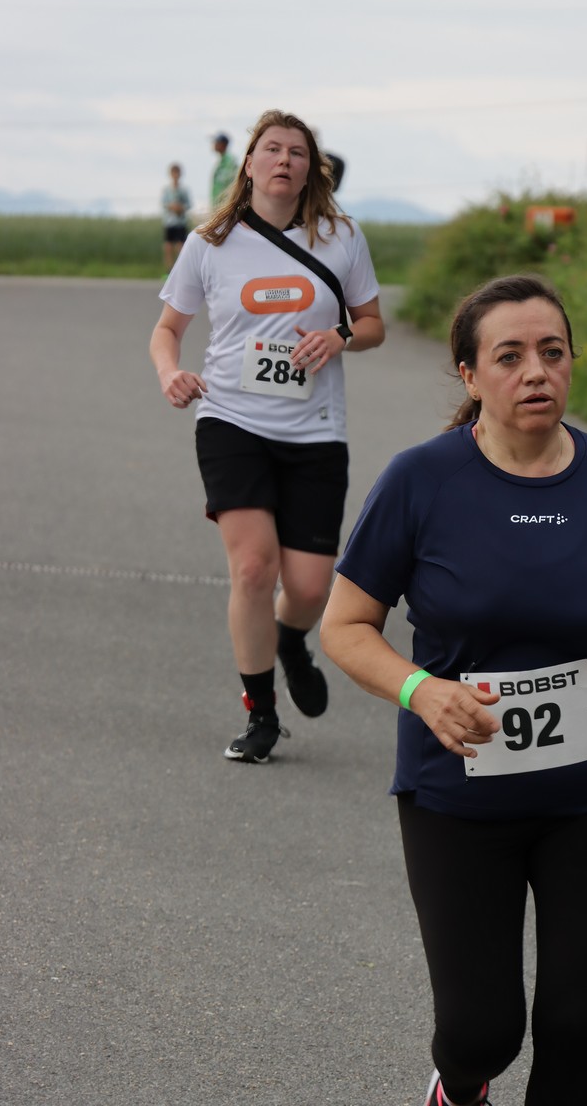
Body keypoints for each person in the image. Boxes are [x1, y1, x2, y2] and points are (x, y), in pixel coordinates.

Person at [320, 273, 587, 1106]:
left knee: (576, 1027)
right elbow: (346, 627)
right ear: (470, 375)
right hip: (458, 798)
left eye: (552, 352)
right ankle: (459, 1088)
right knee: (481, 1033)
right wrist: (422, 690)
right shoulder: (421, 480)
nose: (536, 371)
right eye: (510, 356)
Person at [150, 108, 385, 763]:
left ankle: (289, 638)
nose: (284, 160)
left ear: (313, 169)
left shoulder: (341, 237)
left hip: (315, 432)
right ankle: (261, 713)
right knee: (254, 568)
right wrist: (170, 372)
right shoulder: (210, 243)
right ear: (249, 164)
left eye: (297, 152)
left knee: (309, 588)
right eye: (272, 149)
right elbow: (167, 330)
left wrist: (338, 336)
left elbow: (372, 324)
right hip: (232, 421)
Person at [160, 163, 192, 272]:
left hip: (181, 222)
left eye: (177, 173)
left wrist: (180, 208)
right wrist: (172, 207)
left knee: (181, 246)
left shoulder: (184, 190)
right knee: (168, 247)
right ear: (170, 174)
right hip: (169, 222)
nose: (175, 175)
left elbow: (189, 204)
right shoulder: (166, 189)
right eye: (173, 173)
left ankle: (181, 270)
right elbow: (163, 204)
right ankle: (169, 270)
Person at [210, 132, 239, 207]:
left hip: (225, 206)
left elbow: (233, 183)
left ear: (222, 144)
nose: (213, 144)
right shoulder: (221, 162)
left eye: (216, 142)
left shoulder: (230, 161)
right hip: (217, 207)